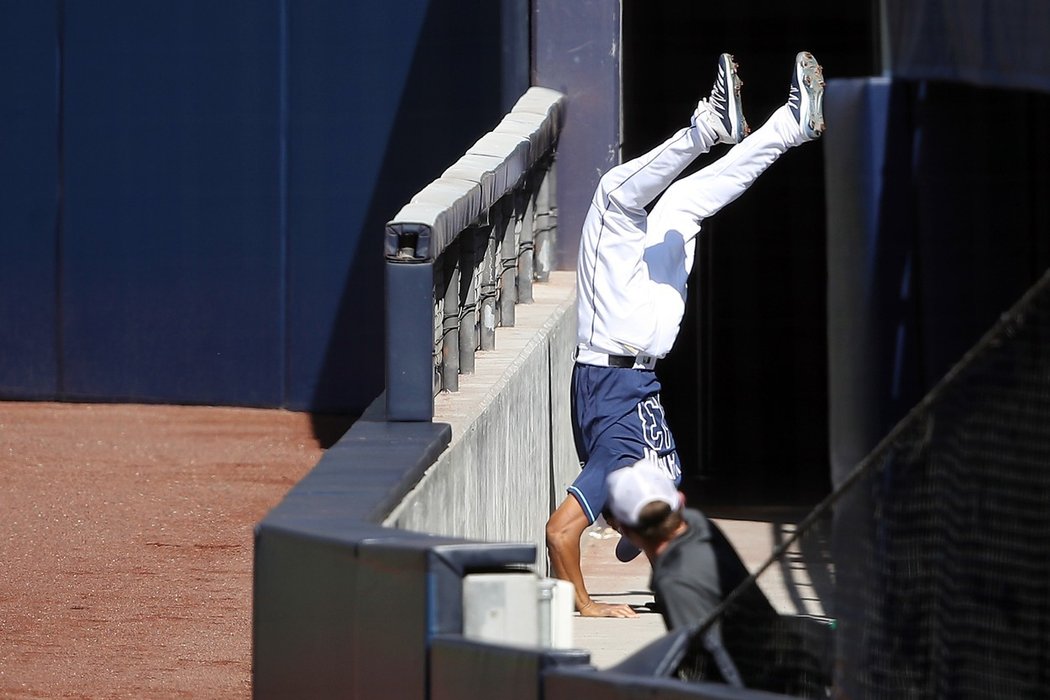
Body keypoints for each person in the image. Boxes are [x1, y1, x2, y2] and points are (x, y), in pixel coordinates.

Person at [544, 51, 826, 617]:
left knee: (653, 203)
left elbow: (564, 533)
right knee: (655, 203)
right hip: (624, 350)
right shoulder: (634, 463)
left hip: (634, 347)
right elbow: (604, 534)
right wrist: (649, 580)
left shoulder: (643, 461)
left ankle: (741, 128)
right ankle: (773, 127)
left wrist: (587, 603)